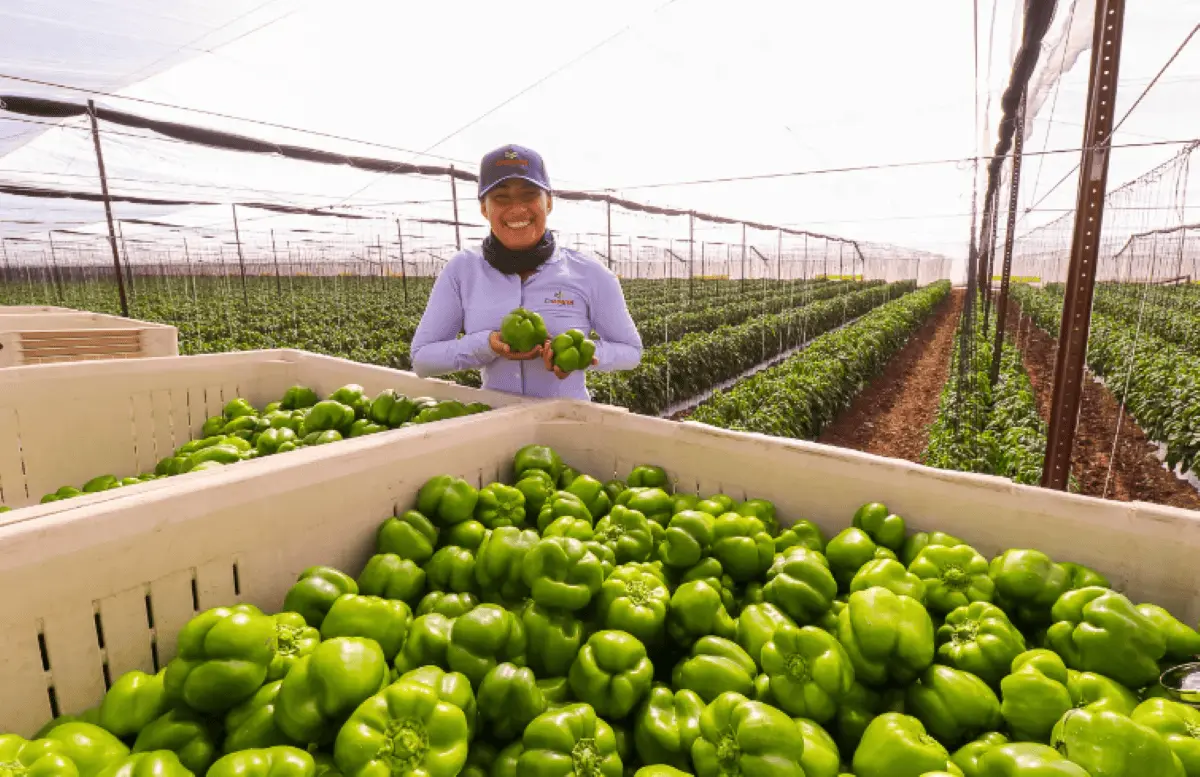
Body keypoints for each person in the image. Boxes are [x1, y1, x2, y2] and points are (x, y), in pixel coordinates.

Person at [411, 144, 642, 399]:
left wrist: (583, 355)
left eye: (529, 194)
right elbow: (422, 359)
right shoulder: (462, 271)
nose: (517, 208)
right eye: (501, 197)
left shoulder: (590, 273)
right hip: (496, 419)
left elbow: (631, 351)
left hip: (568, 420)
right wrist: (486, 344)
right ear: (484, 208)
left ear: (549, 202)